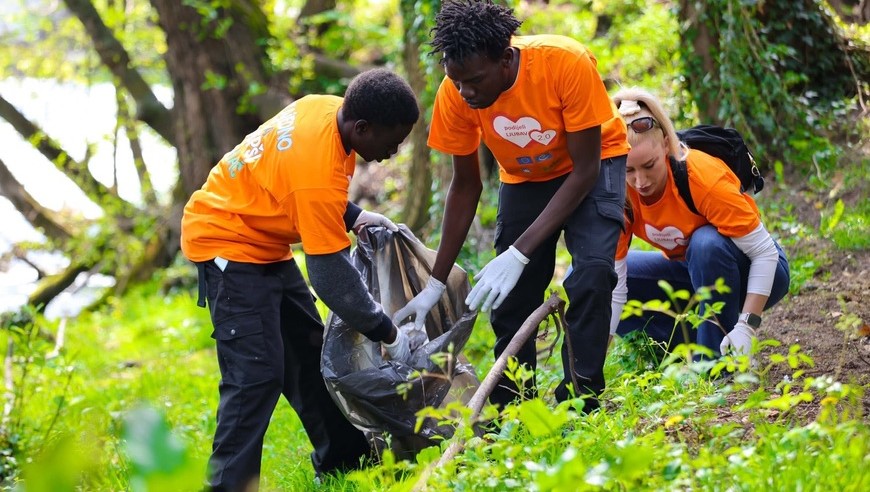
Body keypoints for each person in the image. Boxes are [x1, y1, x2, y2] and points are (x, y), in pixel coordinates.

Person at [180, 68, 420, 491]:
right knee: (255, 375)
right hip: (225, 242)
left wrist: (354, 215)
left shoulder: (325, 109)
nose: (395, 151)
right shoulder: (317, 165)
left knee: (311, 353)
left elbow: (291, 179)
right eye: (392, 140)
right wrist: (387, 331)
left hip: (262, 237)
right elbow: (331, 280)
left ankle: (347, 461)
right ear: (362, 128)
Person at [393, 0, 630, 413]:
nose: (465, 93)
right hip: (525, 176)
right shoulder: (456, 93)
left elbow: (585, 171)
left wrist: (520, 251)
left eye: (474, 81)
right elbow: (466, 187)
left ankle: (582, 400)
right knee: (511, 296)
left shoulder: (564, 63)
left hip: (593, 163)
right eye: (456, 81)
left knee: (591, 275)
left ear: (506, 59)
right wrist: (435, 283)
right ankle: (514, 407)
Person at [608, 87, 790, 362]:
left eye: (649, 165)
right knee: (591, 273)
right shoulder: (618, 194)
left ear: (668, 144)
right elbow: (615, 286)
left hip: (754, 270)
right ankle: (683, 346)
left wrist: (747, 326)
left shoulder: (702, 177)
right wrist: (595, 354)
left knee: (705, 243)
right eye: (628, 170)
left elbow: (764, 253)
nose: (640, 181)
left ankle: (715, 364)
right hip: (691, 274)